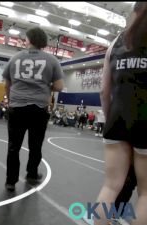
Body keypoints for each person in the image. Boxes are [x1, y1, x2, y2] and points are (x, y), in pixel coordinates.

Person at [94, 3, 147, 225]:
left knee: (110, 186)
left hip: (117, 117)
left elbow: (104, 90)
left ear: (134, 13)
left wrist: (109, 117)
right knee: (146, 194)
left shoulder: (116, 42)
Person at [2, 27, 64, 191]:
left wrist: (10, 100)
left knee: (13, 146)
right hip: (39, 108)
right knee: (35, 146)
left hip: (17, 107)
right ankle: (31, 173)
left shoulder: (15, 58)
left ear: (29, 40)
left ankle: (10, 181)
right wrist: (44, 85)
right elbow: (59, 86)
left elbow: (7, 84)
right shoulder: (52, 60)